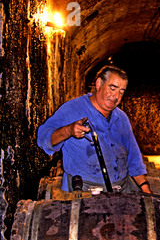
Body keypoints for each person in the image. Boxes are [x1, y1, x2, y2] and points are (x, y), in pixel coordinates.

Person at [37, 65, 151, 194]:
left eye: (121, 91)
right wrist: (68, 131)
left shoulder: (121, 118)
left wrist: (145, 187)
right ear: (98, 84)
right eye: (112, 88)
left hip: (121, 189)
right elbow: (43, 138)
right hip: (85, 191)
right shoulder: (72, 109)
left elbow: (133, 156)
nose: (116, 96)